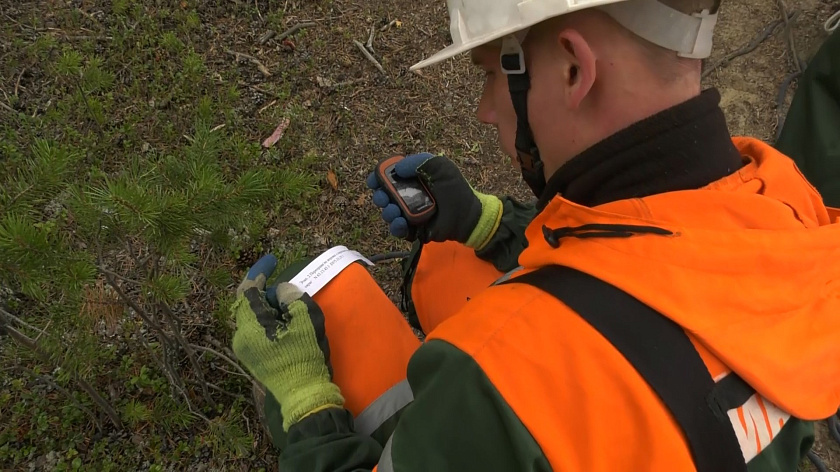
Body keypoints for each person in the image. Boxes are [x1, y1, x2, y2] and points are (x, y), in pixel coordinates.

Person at [230, 0, 840, 470]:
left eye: (491, 75)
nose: (485, 110)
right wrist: (493, 225)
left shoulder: (501, 374)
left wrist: (305, 401)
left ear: (574, 68)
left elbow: (559, 350)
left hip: (531, 406)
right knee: (449, 262)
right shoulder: (789, 199)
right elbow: (656, 259)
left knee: (338, 305)